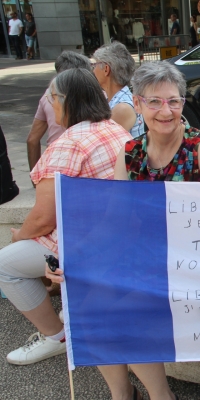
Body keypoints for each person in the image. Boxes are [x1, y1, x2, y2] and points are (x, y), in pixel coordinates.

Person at [47, 61, 200, 400]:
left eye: (174, 101)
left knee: (123, 308)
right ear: (140, 104)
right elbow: (113, 223)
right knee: (90, 299)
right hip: (149, 262)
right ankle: (130, 394)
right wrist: (68, 259)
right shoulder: (130, 154)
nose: (166, 110)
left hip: (198, 265)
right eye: (155, 101)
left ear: (182, 103)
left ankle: (159, 394)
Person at [0, 68, 131, 367]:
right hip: (117, 236)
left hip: (82, 244)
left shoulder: (66, 144)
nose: (49, 104)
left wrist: (21, 235)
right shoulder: (115, 129)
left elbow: (44, 218)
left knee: (5, 265)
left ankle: (54, 336)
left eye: (51, 98)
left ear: (65, 101)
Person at [27, 51, 92, 173]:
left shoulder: (46, 96)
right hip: (83, 163)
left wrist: (35, 176)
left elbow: (32, 139)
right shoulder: (95, 95)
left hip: (53, 163)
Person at [92, 41, 145, 137]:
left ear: (106, 69)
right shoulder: (115, 99)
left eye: (95, 65)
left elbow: (101, 142)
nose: (93, 70)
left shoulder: (122, 108)